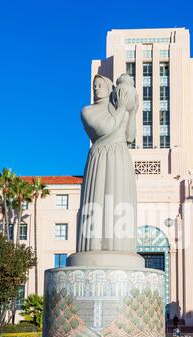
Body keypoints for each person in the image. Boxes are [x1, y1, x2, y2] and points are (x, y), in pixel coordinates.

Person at [77, 74, 139, 253]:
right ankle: (94, 249)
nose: (96, 88)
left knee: (120, 200)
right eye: (94, 86)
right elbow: (107, 128)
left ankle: (122, 249)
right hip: (101, 157)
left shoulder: (118, 108)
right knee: (98, 200)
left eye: (99, 85)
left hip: (120, 156)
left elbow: (130, 136)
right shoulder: (88, 111)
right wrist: (122, 108)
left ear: (110, 87)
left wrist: (132, 112)